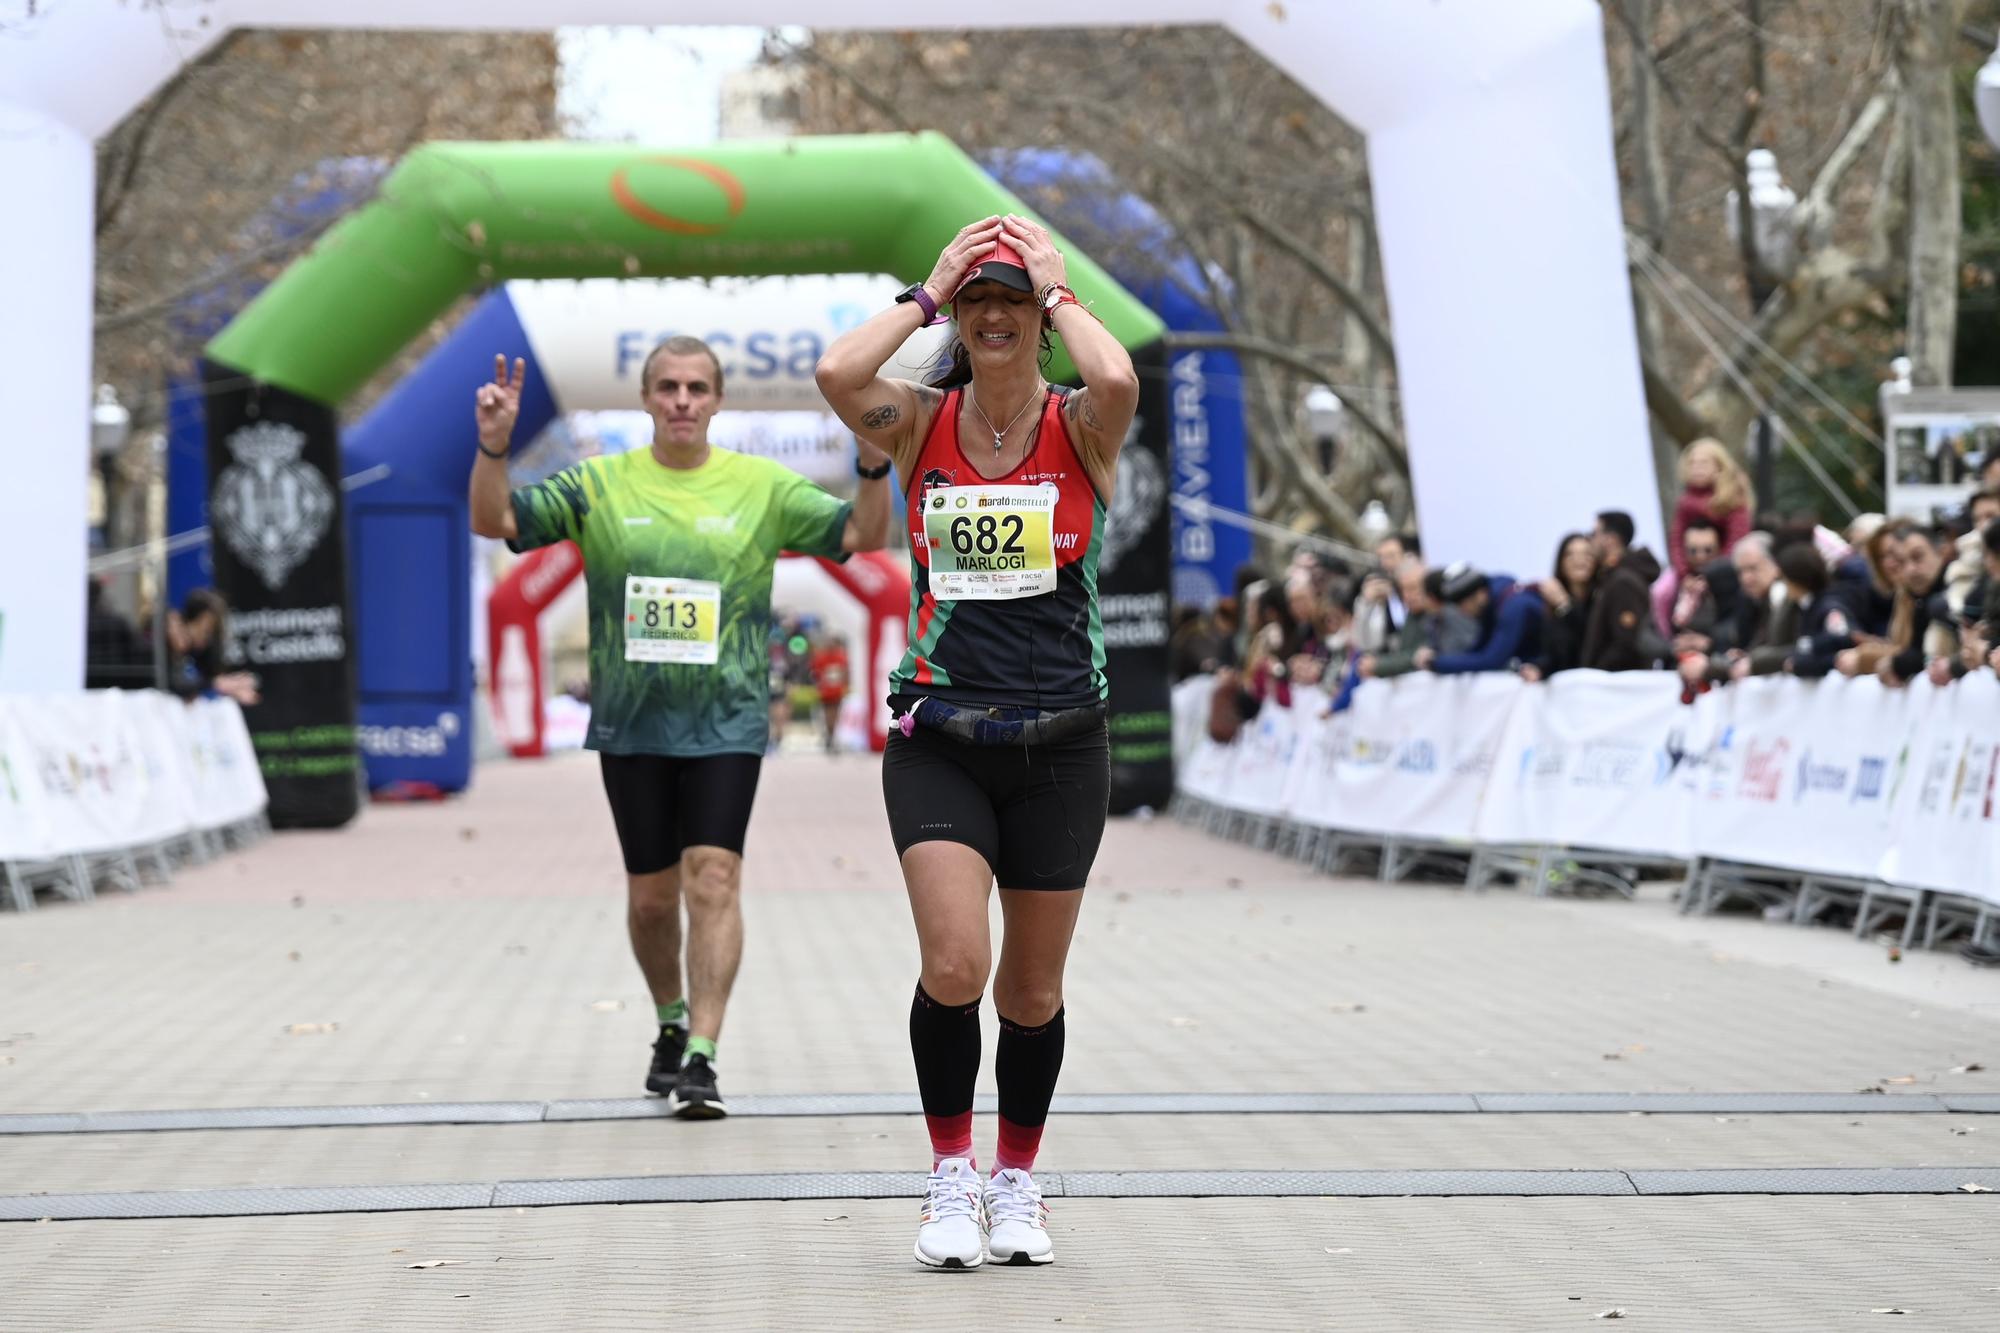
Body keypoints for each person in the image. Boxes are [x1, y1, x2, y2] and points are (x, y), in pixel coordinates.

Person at [816, 214, 1138, 1269]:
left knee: (1030, 993)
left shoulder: (1081, 423)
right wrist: (925, 286)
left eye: (1011, 302)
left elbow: (1122, 378)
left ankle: (1015, 1180)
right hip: (941, 734)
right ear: (957, 321)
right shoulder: (914, 422)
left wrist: (1059, 285)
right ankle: (949, 1176)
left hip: (1062, 743)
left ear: (1037, 322)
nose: (993, 316)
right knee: (955, 964)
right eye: (977, 303)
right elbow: (833, 369)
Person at [469, 338, 892, 1119]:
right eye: (668, 387)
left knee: (714, 878)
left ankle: (703, 1049)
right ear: (646, 398)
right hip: (633, 725)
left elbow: (862, 538)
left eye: (698, 387)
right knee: (653, 899)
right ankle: (669, 1018)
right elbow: (496, 517)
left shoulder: (761, 487)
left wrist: (872, 465)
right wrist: (495, 445)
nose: (683, 400)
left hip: (727, 721)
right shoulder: (600, 482)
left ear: (718, 400)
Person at [1680, 533, 1795, 685]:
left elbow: (1785, 650)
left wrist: (1715, 666)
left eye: (1753, 568)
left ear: (1775, 565)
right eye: (1741, 571)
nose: (1746, 578)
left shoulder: (1785, 599)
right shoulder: (1752, 602)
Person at [1418, 562, 1545, 675]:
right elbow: (1478, 649)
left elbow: (1492, 659)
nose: (1462, 612)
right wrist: (1438, 659)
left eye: (1462, 605)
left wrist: (1437, 663)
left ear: (1479, 595)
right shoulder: (1492, 607)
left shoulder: (1514, 607)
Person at [1582, 510, 1664, 671]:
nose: (1589, 540)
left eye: (1593, 533)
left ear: (1610, 539)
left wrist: (1596, 673)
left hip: (1617, 688)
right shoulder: (1609, 580)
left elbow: (1628, 643)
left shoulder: (1623, 582)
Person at [1667, 438, 1755, 575]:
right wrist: (1684, 574)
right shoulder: (1684, 501)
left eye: (1703, 464)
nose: (1697, 469)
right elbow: (1676, 540)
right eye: (1692, 464)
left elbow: (1737, 540)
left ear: (1719, 467)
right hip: (1690, 573)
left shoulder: (1732, 498)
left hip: (1726, 572)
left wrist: (1718, 573)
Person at [162, 587, 259, 706]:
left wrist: (228, 685)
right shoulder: (164, 643)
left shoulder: (196, 653)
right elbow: (172, 685)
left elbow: (207, 676)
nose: (207, 639)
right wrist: (217, 684)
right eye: (206, 631)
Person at [1522, 533, 1597, 681]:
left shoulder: (1601, 598)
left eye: (1586, 554)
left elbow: (1588, 642)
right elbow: (1554, 655)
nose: (1579, 560)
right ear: (1560, 562)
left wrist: (1565, 605)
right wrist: (1538, 668)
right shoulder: (1551, 606)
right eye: (1570, 554)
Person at [808, 633, 851, 753]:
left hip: (836, 691)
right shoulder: (821, 657)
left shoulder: (840, 656)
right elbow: (816, 673)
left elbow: (845, 672)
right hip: (827, 692)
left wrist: (845, 686)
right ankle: (830, 736)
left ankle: (832, 736)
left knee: (835, 715)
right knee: (828, 715)